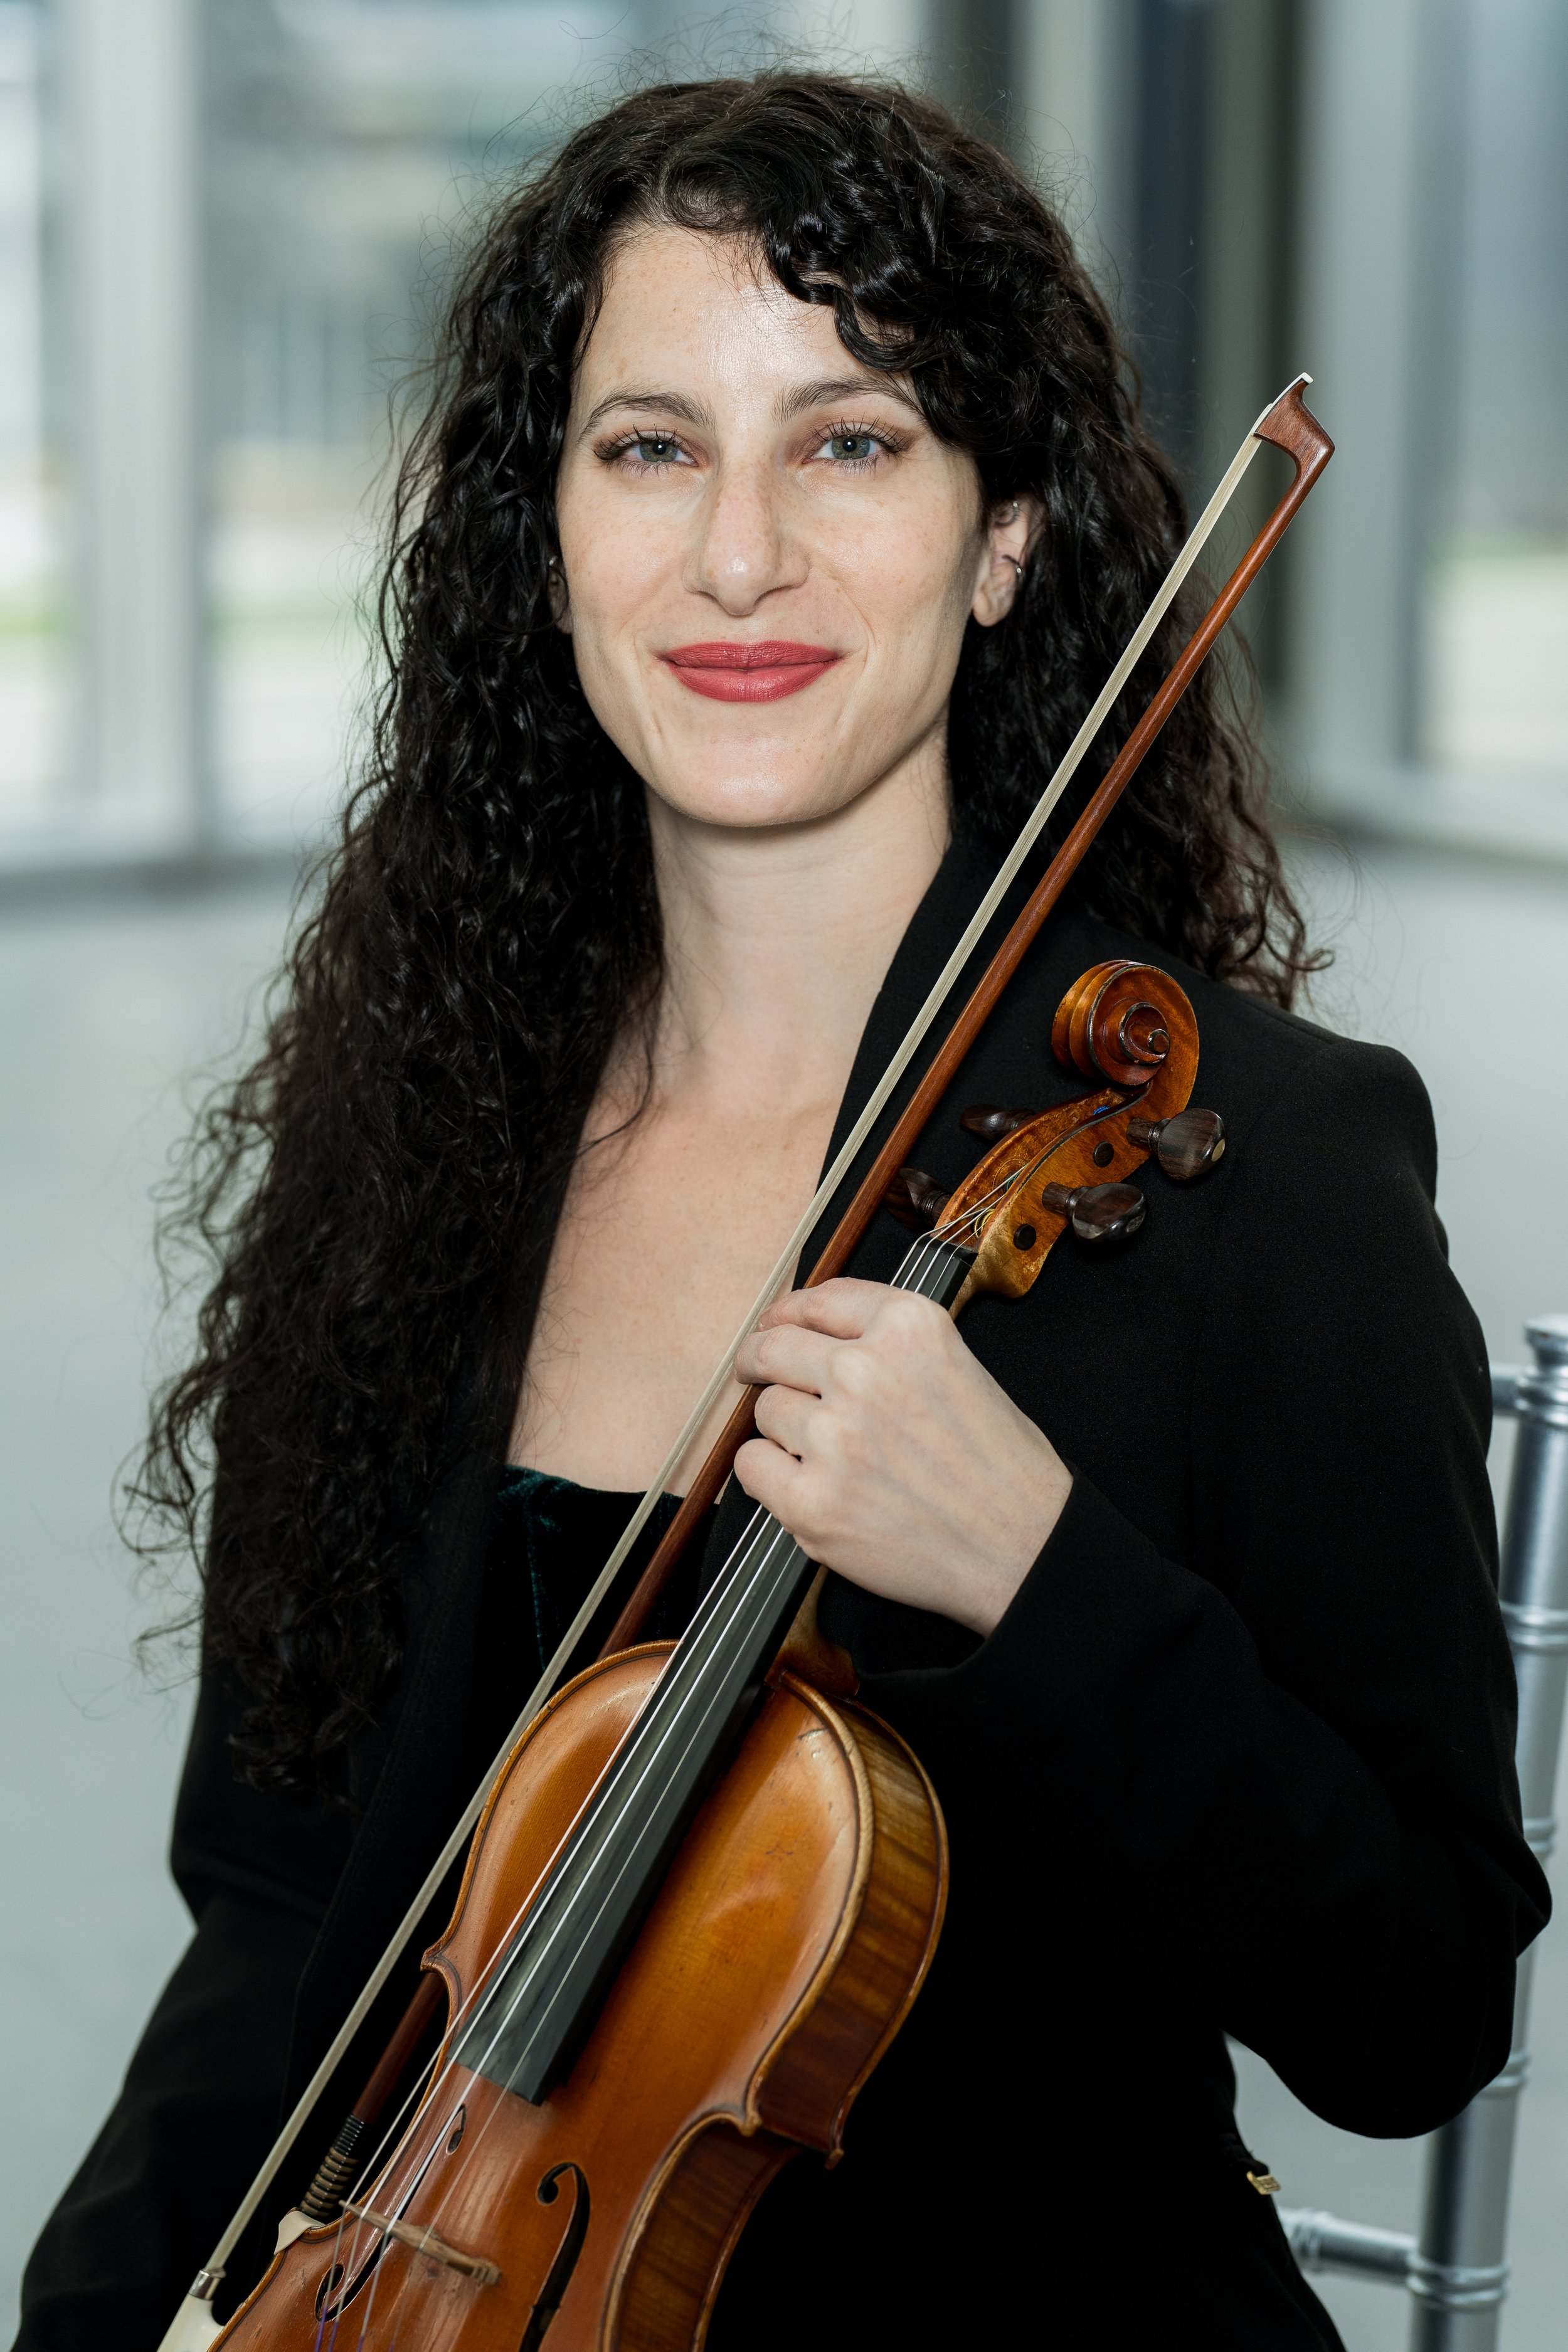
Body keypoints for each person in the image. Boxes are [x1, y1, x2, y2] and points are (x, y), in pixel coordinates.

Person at [15, 74, 1547, 2352]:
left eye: (846, 442)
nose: (737, 554)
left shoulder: (1262, 1170)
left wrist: (1039, 1577)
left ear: (1002, 532)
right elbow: (274, 1917)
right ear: (545, 535)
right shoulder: (429, 1140)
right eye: (648, 446)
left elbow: (1412, 2002)